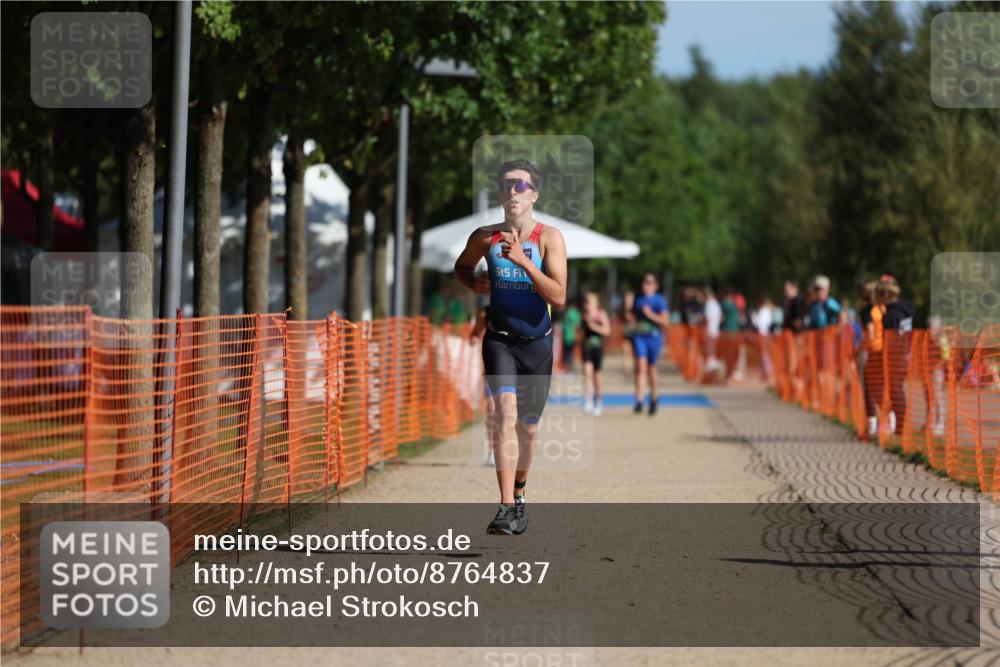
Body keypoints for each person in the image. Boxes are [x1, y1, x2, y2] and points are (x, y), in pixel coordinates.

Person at [454, 159, 567, 536]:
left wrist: (523, 262)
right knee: (504, 413)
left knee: (528, 429)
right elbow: (462, 267)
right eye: (506, 186)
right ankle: (504, 507)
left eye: (520, 186)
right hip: (500, 339)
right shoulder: (485, 237)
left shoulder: (549, 238)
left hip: (537, 343)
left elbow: (559, 295)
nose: (512, 192)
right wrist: (473, 284)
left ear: (534, 194)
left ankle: (520, 492)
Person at [631, 272, 670, 415]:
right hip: (639, 337)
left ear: (655, 285)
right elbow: (632, 316)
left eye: (650, 282)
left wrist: (650, 315)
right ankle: (639, 400)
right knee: (641, 367)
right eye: (644, 282)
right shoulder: (638, 298)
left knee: (652, 368)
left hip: (654, 337)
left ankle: (654, 397)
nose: (646, 285)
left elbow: (666, 321)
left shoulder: (659, 300)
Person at [580, 292, 611, 415]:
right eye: (585, 302)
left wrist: (594, 326)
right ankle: (588, 400)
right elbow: (580, 331)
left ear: (595, 303)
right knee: (587, 372)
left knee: (596, 375)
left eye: (588, 302)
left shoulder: (601, 314)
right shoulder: (584, 315)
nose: (586, 304)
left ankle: (598, 400)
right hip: (586, 346)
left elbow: (607, 331)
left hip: (597, 347)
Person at [702, 287, 723, 380]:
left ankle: (713, 370)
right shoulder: (717, 305)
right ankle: (714, 371)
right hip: (715, 331)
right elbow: (721, 318)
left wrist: (706, 331)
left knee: (709, 352)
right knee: (712, 352)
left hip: (710, 331)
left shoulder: (709, 304)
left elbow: (708, 319)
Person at [560, 300, 581, 372]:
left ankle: (568, 368)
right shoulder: (575, 313)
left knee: (567, 352)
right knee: (570, 352)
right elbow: (577, 325)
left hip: (568, 336)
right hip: (571, 336)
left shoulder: (568, 312)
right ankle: (569, 368)